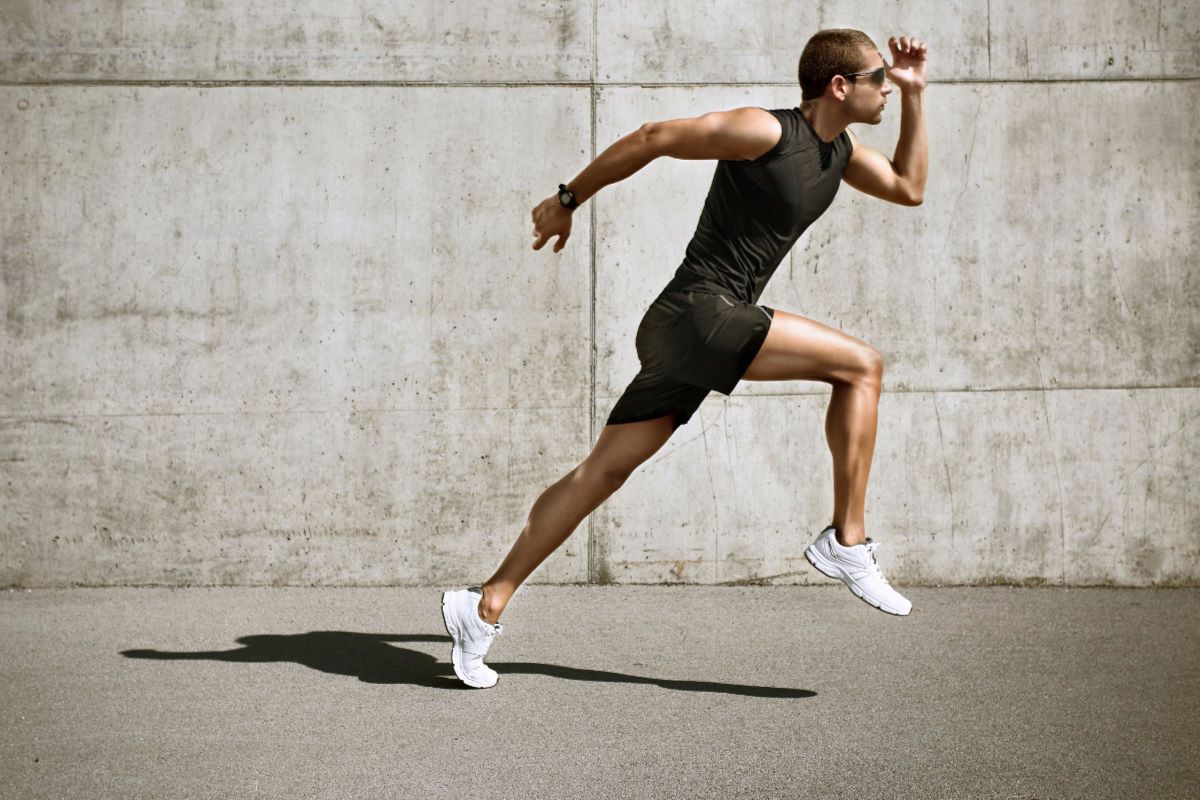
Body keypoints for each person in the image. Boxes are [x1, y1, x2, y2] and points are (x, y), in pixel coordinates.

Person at [442, 29, 929, 688]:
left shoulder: (840, 155)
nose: (887, 91)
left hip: (689, 331)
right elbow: (654, 138)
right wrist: (565, 201)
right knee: (861, 366)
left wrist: (916, 95)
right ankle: (846, 542)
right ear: (840, 85)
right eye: (880, 79)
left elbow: (908, 187)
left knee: (601, 474)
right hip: (700, 312)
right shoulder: (765, 131)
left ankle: (483, 606)